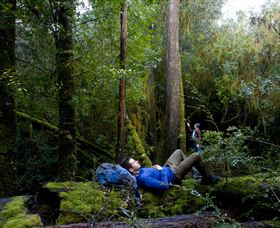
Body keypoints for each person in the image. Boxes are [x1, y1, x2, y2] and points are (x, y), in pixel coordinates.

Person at [120, 149, 219, 192]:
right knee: (196, 156)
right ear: (131, 169)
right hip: (174, 174)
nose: (137, 161)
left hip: (168, 167)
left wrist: (157, 168)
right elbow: (164, 187)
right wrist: (162, 170)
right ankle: (207, 178)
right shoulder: (143, 179)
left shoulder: (139, 172)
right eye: (134, 162)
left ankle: (194, 172)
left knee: (178, 152)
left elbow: (154, 173)